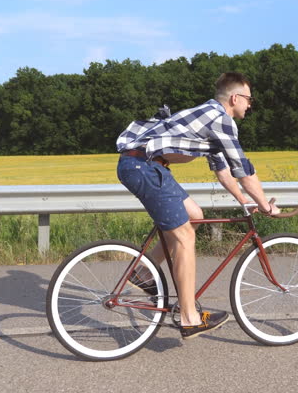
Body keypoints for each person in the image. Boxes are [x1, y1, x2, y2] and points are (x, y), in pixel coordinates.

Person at [116, 71, 280, 339]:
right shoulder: (220, 119)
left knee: (194, 215)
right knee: (185, 237)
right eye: (249, 100)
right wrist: (265, 204)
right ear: (235, 97)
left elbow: (223, 170)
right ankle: (189, 317)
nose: (250, 105)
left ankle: (144, 273)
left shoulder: (211, 117)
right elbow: (243, 170)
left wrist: (244, 201)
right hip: (142, 166)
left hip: (147, 166)